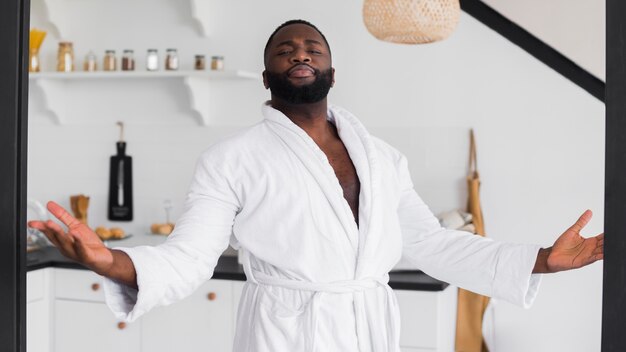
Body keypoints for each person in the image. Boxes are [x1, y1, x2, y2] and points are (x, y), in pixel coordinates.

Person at [28, 20, 604, 352]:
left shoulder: (381, 157)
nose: (300, 53)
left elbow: (432, 244)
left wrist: (540, 261)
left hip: (367, 326)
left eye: (312, 48)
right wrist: (113, 262)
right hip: (285, 331)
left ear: (331, 71)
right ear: (267, 76)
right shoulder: (231, 158)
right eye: (286, 49)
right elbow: (191, 257)